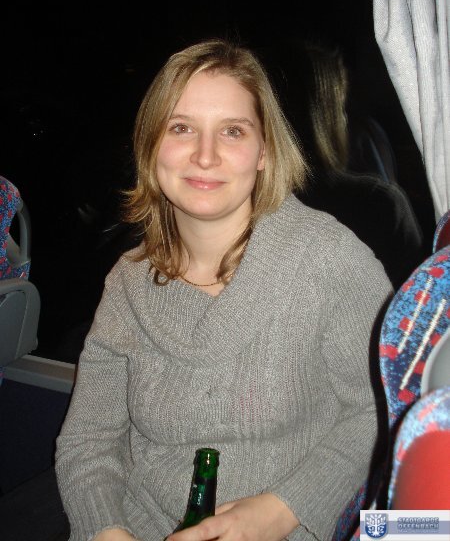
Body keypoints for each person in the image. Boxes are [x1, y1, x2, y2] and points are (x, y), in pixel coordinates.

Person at [55, 39, 393, 541]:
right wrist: (107, 531)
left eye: (232, 131)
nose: (205, 155)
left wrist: (281, 510)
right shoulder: (127, 281)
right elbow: (88, 441)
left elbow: (382, 408)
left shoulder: (329, 260)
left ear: (264, 151)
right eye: (181, 128)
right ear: (151, 145)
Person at [261, 38, 426, 290]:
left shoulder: (253, 207)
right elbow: (421, 302)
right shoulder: (378, 204)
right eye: (342, 106)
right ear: (330, 114)